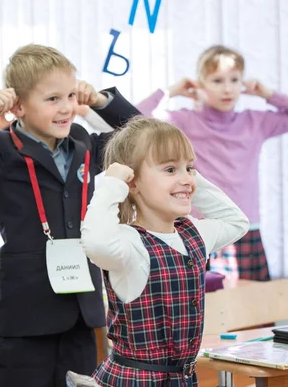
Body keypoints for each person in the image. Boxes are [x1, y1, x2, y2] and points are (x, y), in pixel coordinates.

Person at [0, 44, 141, 387]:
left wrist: (101, 101)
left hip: (82, 314)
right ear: (18, 106)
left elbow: (144, 138)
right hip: (26, 318)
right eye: (52, 99)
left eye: (71, 95)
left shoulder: (83, 143)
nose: (67, 107)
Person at [81, 117, 249, 386]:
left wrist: (188, 178)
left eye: (190, 167)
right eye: (169, 169)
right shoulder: (129, 242)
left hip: (181, 379)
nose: (185, 178)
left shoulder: (192, 232)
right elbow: (96, 243)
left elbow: (237, 222)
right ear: (132, 182)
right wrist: (113, 185)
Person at [136, 45, 288, 280]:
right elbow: (133, 118)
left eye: (234, 80)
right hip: (202, 229)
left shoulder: (255, 122)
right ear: (200, 84)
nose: (227, 88)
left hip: (245, 229)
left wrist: (267, 93)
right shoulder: (184, 121)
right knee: (207, 310)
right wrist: (171, 91)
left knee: (255, 310)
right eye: (217, 80)